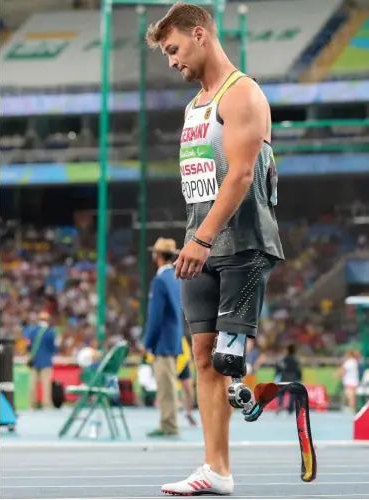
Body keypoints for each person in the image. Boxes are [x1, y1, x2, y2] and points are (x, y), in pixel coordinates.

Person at [146, 3, 284, 495]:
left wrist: (202, 239)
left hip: (242, 244)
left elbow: (244, 175)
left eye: (174, 49)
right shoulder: (194, 106)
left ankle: (261, 392)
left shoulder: (241, 93)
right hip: (199, 245)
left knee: (226, 360)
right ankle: (216, 470)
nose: (171, 61)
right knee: (203, 358)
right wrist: (195, 238)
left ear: (199, 35)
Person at [144, 238, 183, 437]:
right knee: (168, 384)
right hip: (174, 339)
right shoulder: (176, 277)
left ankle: (169, 424)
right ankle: (169, 422)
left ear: (157, 256)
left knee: (165, 386)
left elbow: (155, 315)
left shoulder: (159, 280)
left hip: (162, 342)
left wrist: (147, 342)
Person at [27, 311, 58, 409]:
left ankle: (32, 404)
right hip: (46, 361)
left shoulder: (32, 331)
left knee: (32, 384)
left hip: (34, 361)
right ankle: (46, 403)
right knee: (46, 385)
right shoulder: (50, 332)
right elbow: (53, 348)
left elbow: (29, 347)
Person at [275, 344, 302, 414]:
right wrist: (299, 379)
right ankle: (290, 409)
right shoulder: (296, 360)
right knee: (292, 394)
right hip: (292, 380)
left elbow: (278, 369)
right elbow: (299, 371)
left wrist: (276, 376)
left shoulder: (283, 359)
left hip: (283, 379)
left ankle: (280, 406)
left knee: (281, 393)